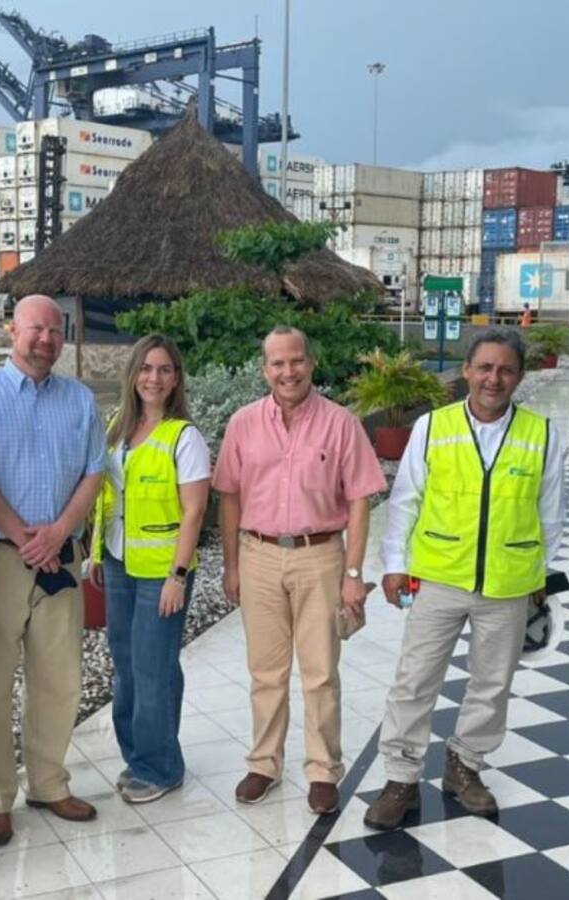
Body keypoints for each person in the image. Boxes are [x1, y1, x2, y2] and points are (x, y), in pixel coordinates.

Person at [363, 328, 565, 828]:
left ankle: (465, 768)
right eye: (485, 367)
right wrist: (394, 565)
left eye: (505, 369)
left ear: (518, 376)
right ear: (467, 371)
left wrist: (542, 573)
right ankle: (401, 779)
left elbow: (551, 512)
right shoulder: (433, 428)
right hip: (438, 578)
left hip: (509, 582)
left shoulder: (541, 433)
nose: (493, 378)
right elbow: (404, 501)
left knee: (492, 684)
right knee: (414, 682)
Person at [213, 325, 386, 815]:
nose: (287, 372)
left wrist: (353, 572)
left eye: (296, 361)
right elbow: (230, 496)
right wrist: (231, 564)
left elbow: (359, 499)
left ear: (311, 363)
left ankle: (322, 770)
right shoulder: (243, 423)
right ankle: (264, 764)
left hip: (320, 555)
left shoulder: (341, 423)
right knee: (265, 671)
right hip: (259, 554)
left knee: (319, 672)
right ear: (264, 368)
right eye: (277, 363)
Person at [0, 294, 105, 847]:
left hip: (59, 557)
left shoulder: (80, 400)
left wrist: (60, 531)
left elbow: (94, 472)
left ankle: (47, 783)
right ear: (12, 331)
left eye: (54, 331)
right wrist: (22, 534)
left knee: (59, 677)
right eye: (35, 329)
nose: (45, 339)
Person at [88, 334, 211, 803]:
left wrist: (178, 576)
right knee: (128, 665)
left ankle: (160, 767)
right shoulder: (120, 425)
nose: (153, 378)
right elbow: (107, 496)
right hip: (120, 562)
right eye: (145, 368)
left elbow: (195, 511)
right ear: (132, 374)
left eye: (163, 369)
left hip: (162, 572)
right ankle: (139, 754)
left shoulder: (184, 436)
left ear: (176, 378)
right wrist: (99, 554)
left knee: (152, 666)